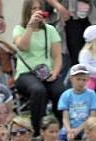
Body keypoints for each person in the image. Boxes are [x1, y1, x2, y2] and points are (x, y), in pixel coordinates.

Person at [14, 0, 64, 134]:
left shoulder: (50, 30)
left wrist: (55, 71)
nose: (37, 11)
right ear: (27, 11)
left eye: (39, 8)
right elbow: (22, 46)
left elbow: (57, 56)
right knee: (38, 90)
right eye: (33, 9)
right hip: (26, 74)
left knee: (60, 91)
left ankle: (61, 128)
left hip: (46, 72)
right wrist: (30, 26)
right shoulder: (19, 29)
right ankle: (37, 130)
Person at [57, 64, 96, 141]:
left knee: (89, 136)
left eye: (84, 80)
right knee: (61, 137)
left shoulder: (91, 94)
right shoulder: (66, 95)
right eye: (78, 79)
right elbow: (65, 117)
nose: (81, 82)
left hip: (86, 126)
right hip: (70, 127)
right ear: (71, 79)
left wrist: (78, 130)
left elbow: (92, 116)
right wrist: (69, 130)